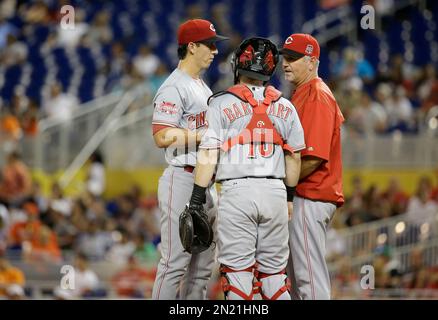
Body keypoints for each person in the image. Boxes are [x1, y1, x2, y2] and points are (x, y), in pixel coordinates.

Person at [185, 37, 304, 300]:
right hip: (275, 192)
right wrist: (289, 198)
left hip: (237, 192)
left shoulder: (220, 103)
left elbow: (208, 153)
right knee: (274, 277)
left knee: (238, 276)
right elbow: (294, 158)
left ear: (239, 64)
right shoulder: (286, 106)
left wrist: (196, 199)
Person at [151, 19, 228, 300]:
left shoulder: (202, 87)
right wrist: (204, 134)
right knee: (175, 263)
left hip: (204, 182)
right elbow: (161, 136)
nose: (215, 50)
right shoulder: (175, 86)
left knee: (204, 266)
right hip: (182, 177)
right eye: (209, 44)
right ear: (191, 47)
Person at [280, 33, 345, 300]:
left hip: (310, 195)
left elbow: (313, 157)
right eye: (285, 57)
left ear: (312, 62)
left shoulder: (317, 95)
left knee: (309, 280)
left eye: (293, 58)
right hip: (306, 194)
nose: (286, 63)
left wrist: (281, 185)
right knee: (297, 281)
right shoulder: (302, 93)